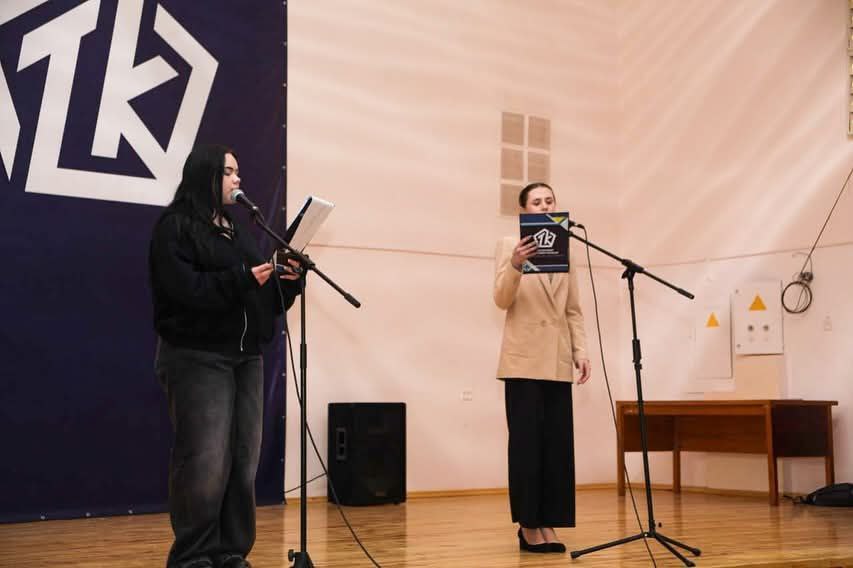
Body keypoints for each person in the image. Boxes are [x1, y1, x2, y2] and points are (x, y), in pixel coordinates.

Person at [149, 144, 302, 568]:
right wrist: (241, 279)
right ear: (207, 175)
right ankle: (194, 556)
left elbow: (261, 298)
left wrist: (287, 282)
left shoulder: (237, 230)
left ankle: (231, 551)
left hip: (246, 358)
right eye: (230, 172)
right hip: (198, 356)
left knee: (242, 460)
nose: (238, 179)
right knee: (205, 460)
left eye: (238, 172)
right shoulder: (175, 227)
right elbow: (185, 291)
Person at [493, 181, 592, 554]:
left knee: (555, 447)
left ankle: (548, 520)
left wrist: (581, 350)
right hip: (522, 362)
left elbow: (573, 309)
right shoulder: (509, 245)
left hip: (557, 360)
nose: (545, 205)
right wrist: (516, 264)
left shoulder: (566, 250)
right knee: (526, 447)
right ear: (524, 211)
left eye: (550, 200)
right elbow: (501, 299)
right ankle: (528, 525)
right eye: (537, 202)